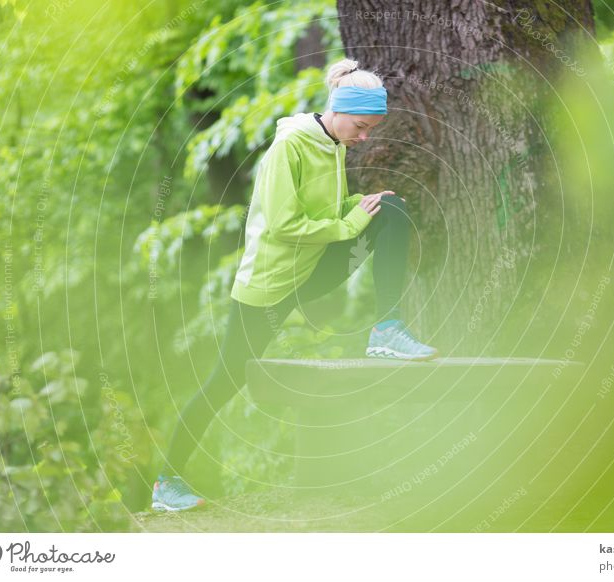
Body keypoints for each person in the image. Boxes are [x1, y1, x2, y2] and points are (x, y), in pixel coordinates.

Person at [151, 58, 438, 512]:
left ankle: (386, 328)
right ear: (338, 111)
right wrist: (350, 224)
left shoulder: (334, 143)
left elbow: (324, 209)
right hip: (271, 286)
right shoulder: (291, 146)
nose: (364, 138)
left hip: (313, 267)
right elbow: (284, 224)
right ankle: (167, 484)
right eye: (361, 127)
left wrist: (357, 204)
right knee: (225, 380)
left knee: (392, 211)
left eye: (369, 130)